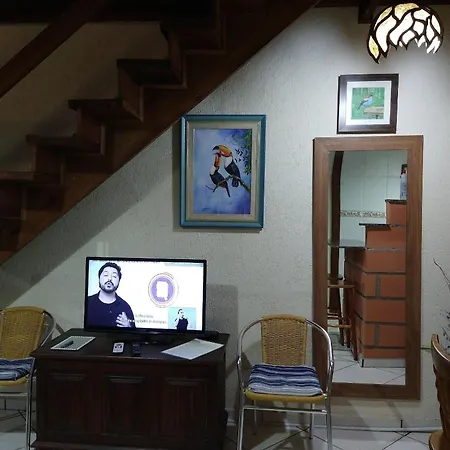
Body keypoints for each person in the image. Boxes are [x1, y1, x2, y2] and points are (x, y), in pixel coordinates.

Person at [87, 262, 135, 328]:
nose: (109, 279)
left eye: (114, 276)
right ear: (99, 278)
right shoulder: (88, 302)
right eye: (106, 275)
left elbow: (134, 333)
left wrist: (128, 327)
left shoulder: (125, 307)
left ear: (119, 281)